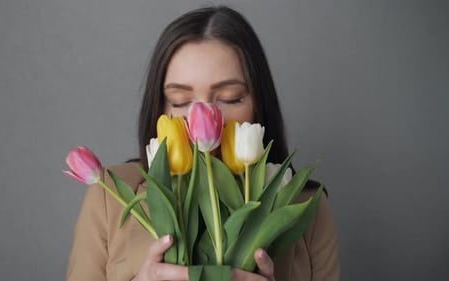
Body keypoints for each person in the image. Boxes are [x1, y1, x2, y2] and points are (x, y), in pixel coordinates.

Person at [66, 5, 340, 281]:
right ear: (160, 110)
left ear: (259, 105)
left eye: (230, 97)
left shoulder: (306, 206)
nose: (204, 117)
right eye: (180, 102)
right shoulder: (109, 198)